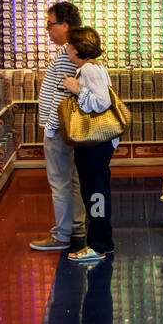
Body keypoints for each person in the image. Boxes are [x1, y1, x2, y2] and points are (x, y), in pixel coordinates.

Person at [29, 2, 87, 252]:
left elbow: (62, 98)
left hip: (60, 130)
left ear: (65, 25)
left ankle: (62, 234)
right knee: (72, 179)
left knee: (59, 181)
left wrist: (51, 128)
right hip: (69, 129)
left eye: (51, 24)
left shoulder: (67, 55)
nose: (47, 29)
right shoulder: (74, 50)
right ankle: (77, 226)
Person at [61, 26, 117, 265]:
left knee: (94, 192)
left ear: (77, 48)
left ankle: (97, 246)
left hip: (94, 141)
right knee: (97, 189)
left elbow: (102, 102)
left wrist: (77, 89)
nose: (66, 48)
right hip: (101, 141)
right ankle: (103, 240)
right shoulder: (96, 67)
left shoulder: (89, 70)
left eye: (69, 44)